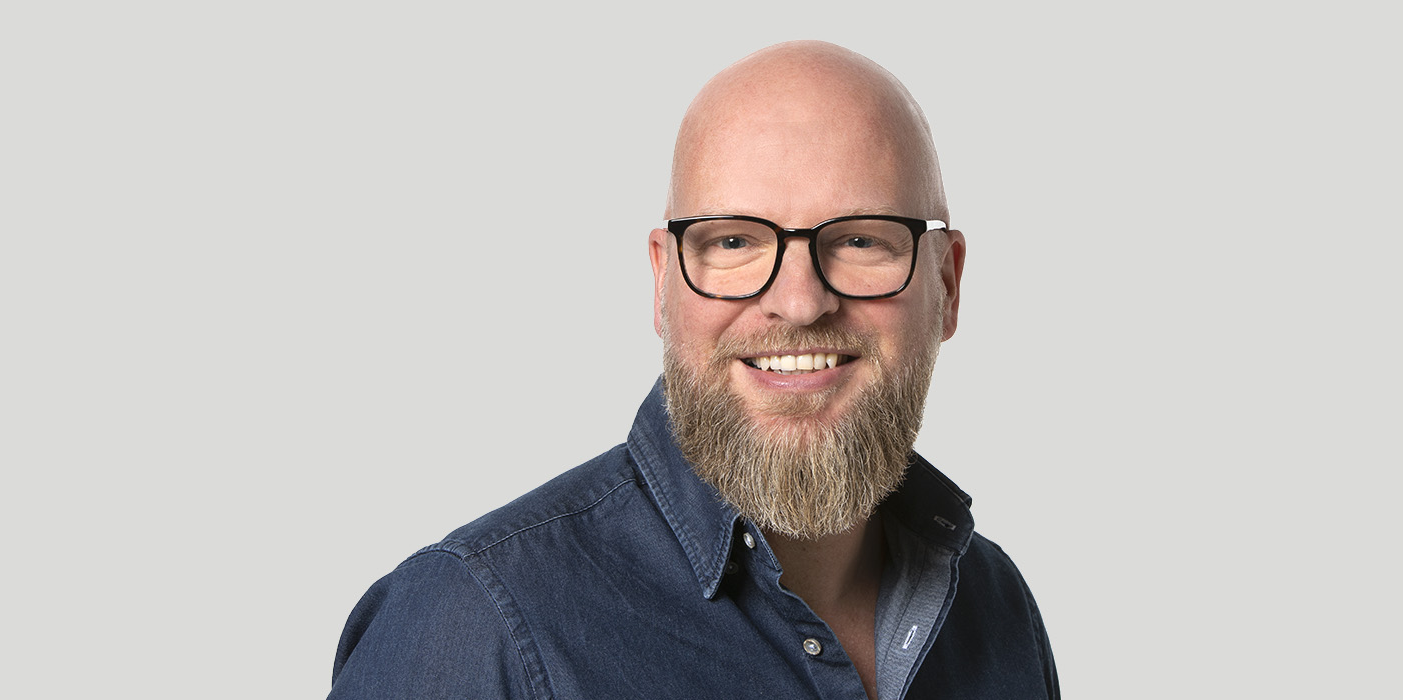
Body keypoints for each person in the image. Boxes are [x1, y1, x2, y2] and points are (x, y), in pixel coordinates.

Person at [328, 41, 1056, 699]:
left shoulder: (995, 609)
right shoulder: (473, 624)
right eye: (734, 241)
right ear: (663, 284)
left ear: (947, 285)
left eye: (862, 241)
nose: (800, 302)